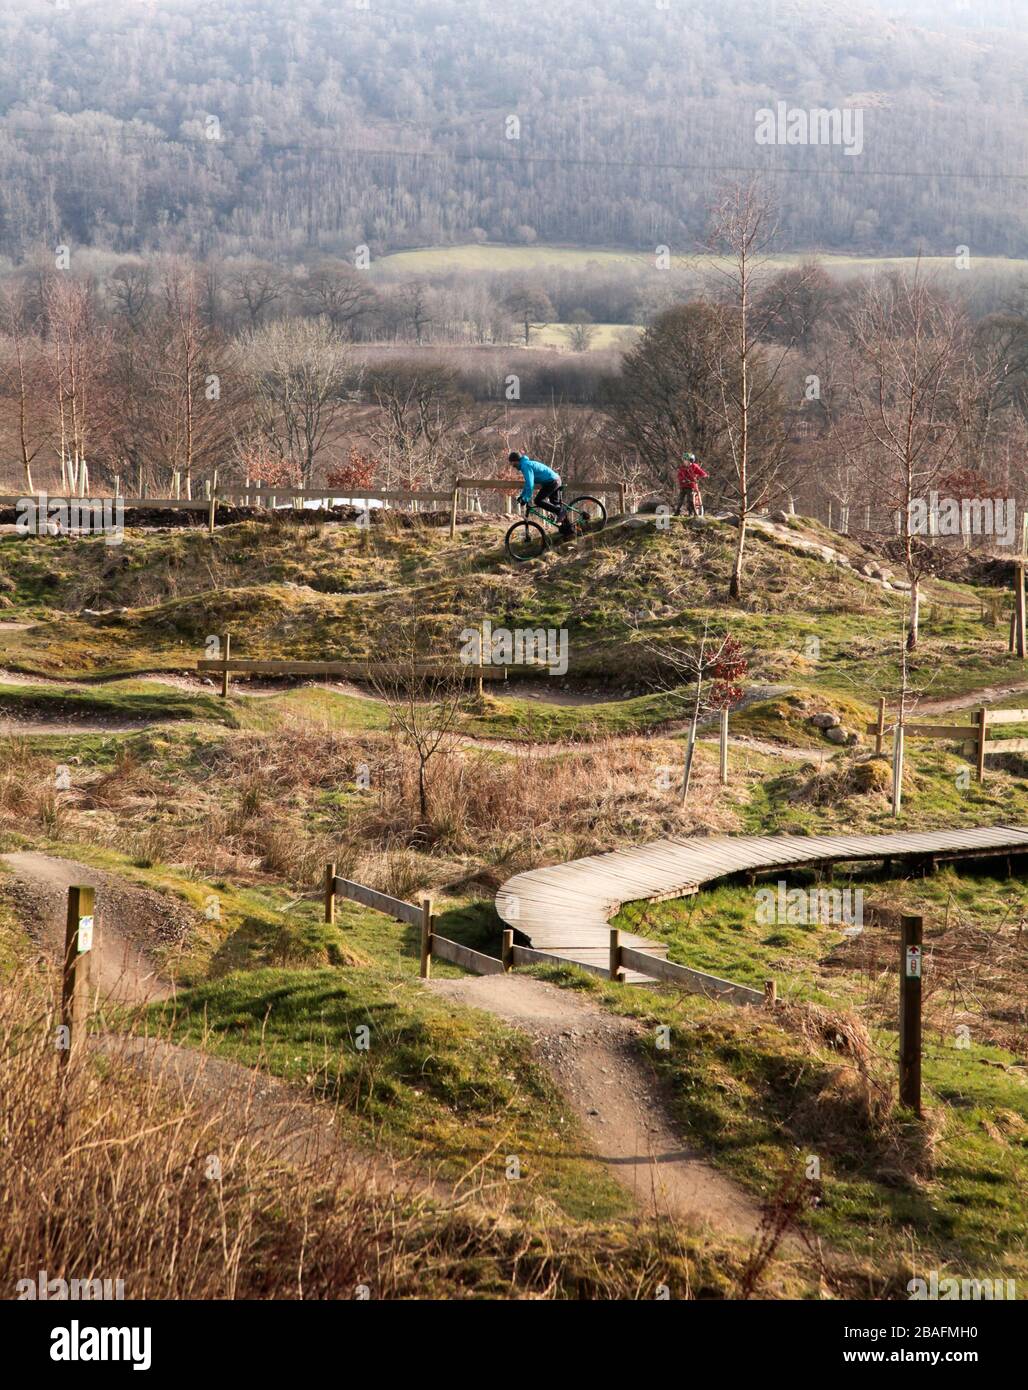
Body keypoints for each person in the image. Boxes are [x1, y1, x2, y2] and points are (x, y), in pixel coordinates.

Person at [508, 451, 572, 533]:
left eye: (512, 463)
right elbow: (527, 484)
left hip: (552, 482)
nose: (512, 466)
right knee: (554, 504)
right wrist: (522, 496)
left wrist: (526, 498)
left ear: (516, 461)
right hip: (554, 480)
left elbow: (530, 484)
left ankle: (561, 511)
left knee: (538, 501)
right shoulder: (526, 464)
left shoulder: (525, 466)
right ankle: (568, 530)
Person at [675, 452, 708, 516]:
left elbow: (700, 471)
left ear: (691, 461)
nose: (685, 462)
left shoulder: (694, 466)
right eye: (684, 460)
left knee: (690, 500)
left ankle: (691, 512)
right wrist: (682, 480)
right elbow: (679, 475)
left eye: (686, 460)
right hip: (683, 485)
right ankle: (677, 511)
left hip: (691, 486)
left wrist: (705, 475)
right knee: (680, 499)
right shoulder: (682, 468)